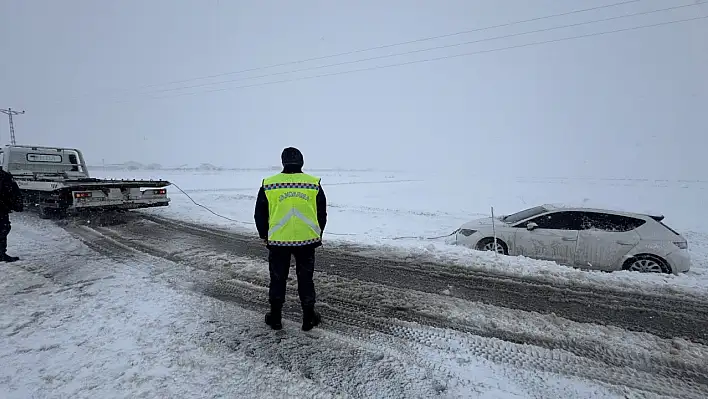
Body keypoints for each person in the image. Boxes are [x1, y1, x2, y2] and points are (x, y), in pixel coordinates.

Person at [254, 147, 327, 331]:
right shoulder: (313, 184)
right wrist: (318, 233)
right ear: (301, 161)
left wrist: (264, 235)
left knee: (278, 279)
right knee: (306, 279)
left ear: (283, 162)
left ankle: (276, 317)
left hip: (278, 242)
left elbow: (260, 214)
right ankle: (308, 317)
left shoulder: (269, 184)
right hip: (307, 241)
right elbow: (322, 214)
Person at [0, 166, 24, 262]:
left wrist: (17, 204)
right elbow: (14, 191)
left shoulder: (5, 176)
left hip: (2, 209)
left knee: (3, 230)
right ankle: (1, 254)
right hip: (2, 209)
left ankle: (1, 254)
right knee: (2, 229)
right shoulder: (5, 176)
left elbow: (14, 191)